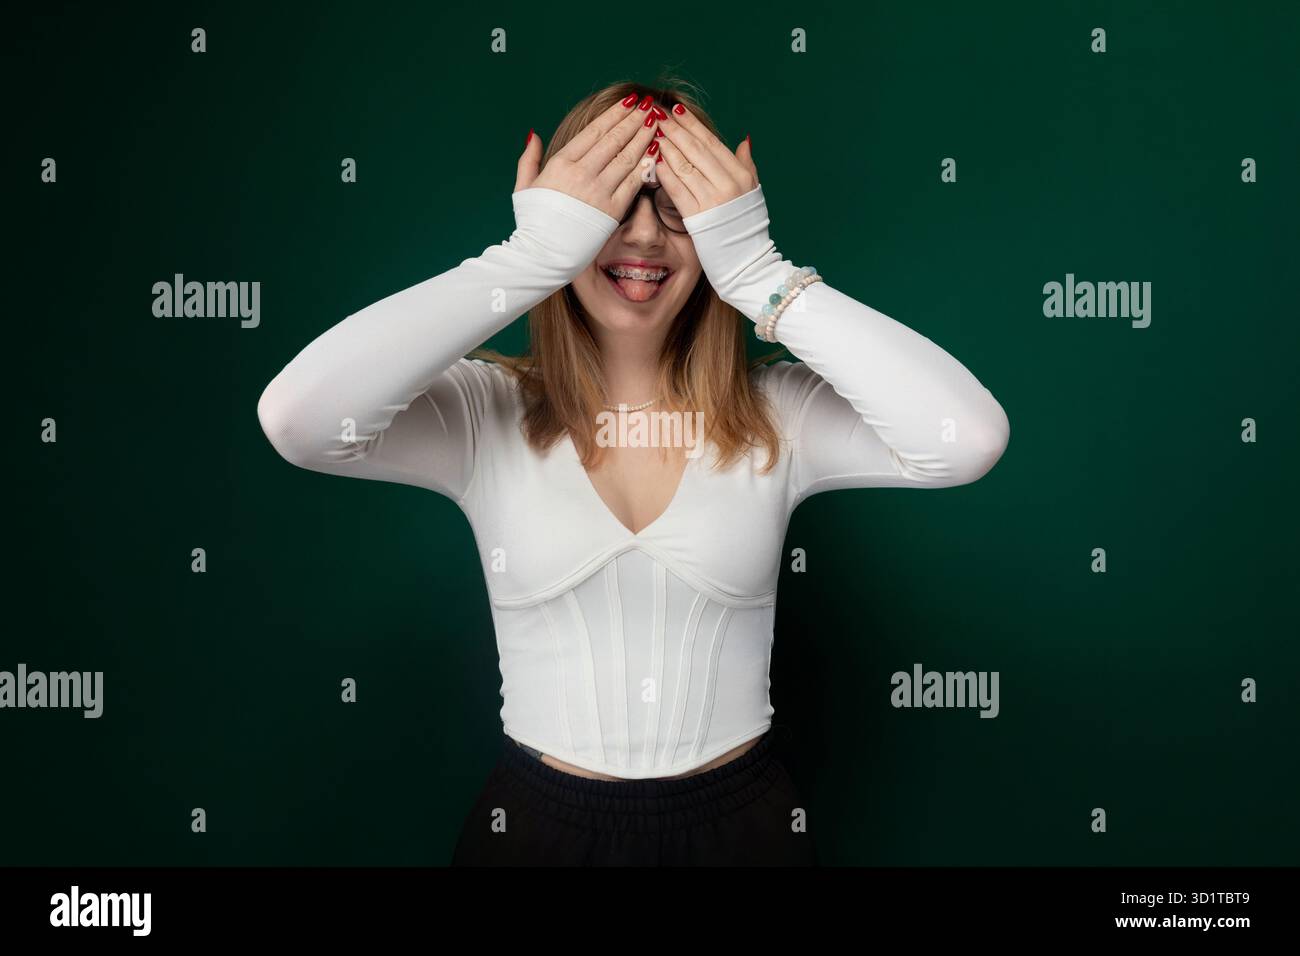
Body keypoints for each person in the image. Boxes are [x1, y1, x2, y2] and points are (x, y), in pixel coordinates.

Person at [256, 81, 1011, 866]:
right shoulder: (484, 413)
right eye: (613, 204)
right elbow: (298, 420)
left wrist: (759, 274)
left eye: (676, 205)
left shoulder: (777, 413)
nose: (644, 237)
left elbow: (968, 439)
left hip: (743, 837)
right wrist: (529, 260)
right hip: (535, 836)